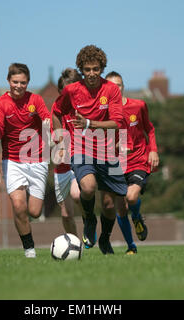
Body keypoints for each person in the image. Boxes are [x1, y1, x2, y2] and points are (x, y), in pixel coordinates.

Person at [52, 45, 129, 255]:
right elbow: (56, 112)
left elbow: (116, 122)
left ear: (102, 68)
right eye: (87, 69)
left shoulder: (111, 90)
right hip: (81, 148)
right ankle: (89, 220)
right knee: (87, 188)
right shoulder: (72, 91)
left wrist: (89, 123)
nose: (92, 73)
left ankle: (105, 239)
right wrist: (60, 137)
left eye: (96, 69)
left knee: (109, 204)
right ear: (81, 69)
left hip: (107, 151)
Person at [0, 63, 51, 258]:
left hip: (38, 159)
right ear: (9, 81)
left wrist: (49, 127)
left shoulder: (36, 99)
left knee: (34, 212)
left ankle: (29, 238)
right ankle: (29, 249)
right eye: (15, 82)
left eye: (23, 83)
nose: (18, 86)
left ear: (28, 83)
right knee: (18, 205)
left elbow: (46, 118)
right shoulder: (0, 104)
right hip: (13, 161)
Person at [106, 71, 159, 255]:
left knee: (131, 197)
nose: (115, 89)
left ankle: (136, 216)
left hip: (138, 159)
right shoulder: (102, 113)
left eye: (118, 85)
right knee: (120, 208)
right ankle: (131, 246)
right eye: (111, 86)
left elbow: (149, 129)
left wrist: (153, 150)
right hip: (115, 163)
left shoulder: (138, 106)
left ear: (123, 87)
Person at [51, 68, 82, 236]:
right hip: (62, 166)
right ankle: (75, 243)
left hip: (81, 162)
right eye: (65, 91)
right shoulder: (56, 109)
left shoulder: (85, 106)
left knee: (77, 195)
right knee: (65, 214)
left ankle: (89, 221)